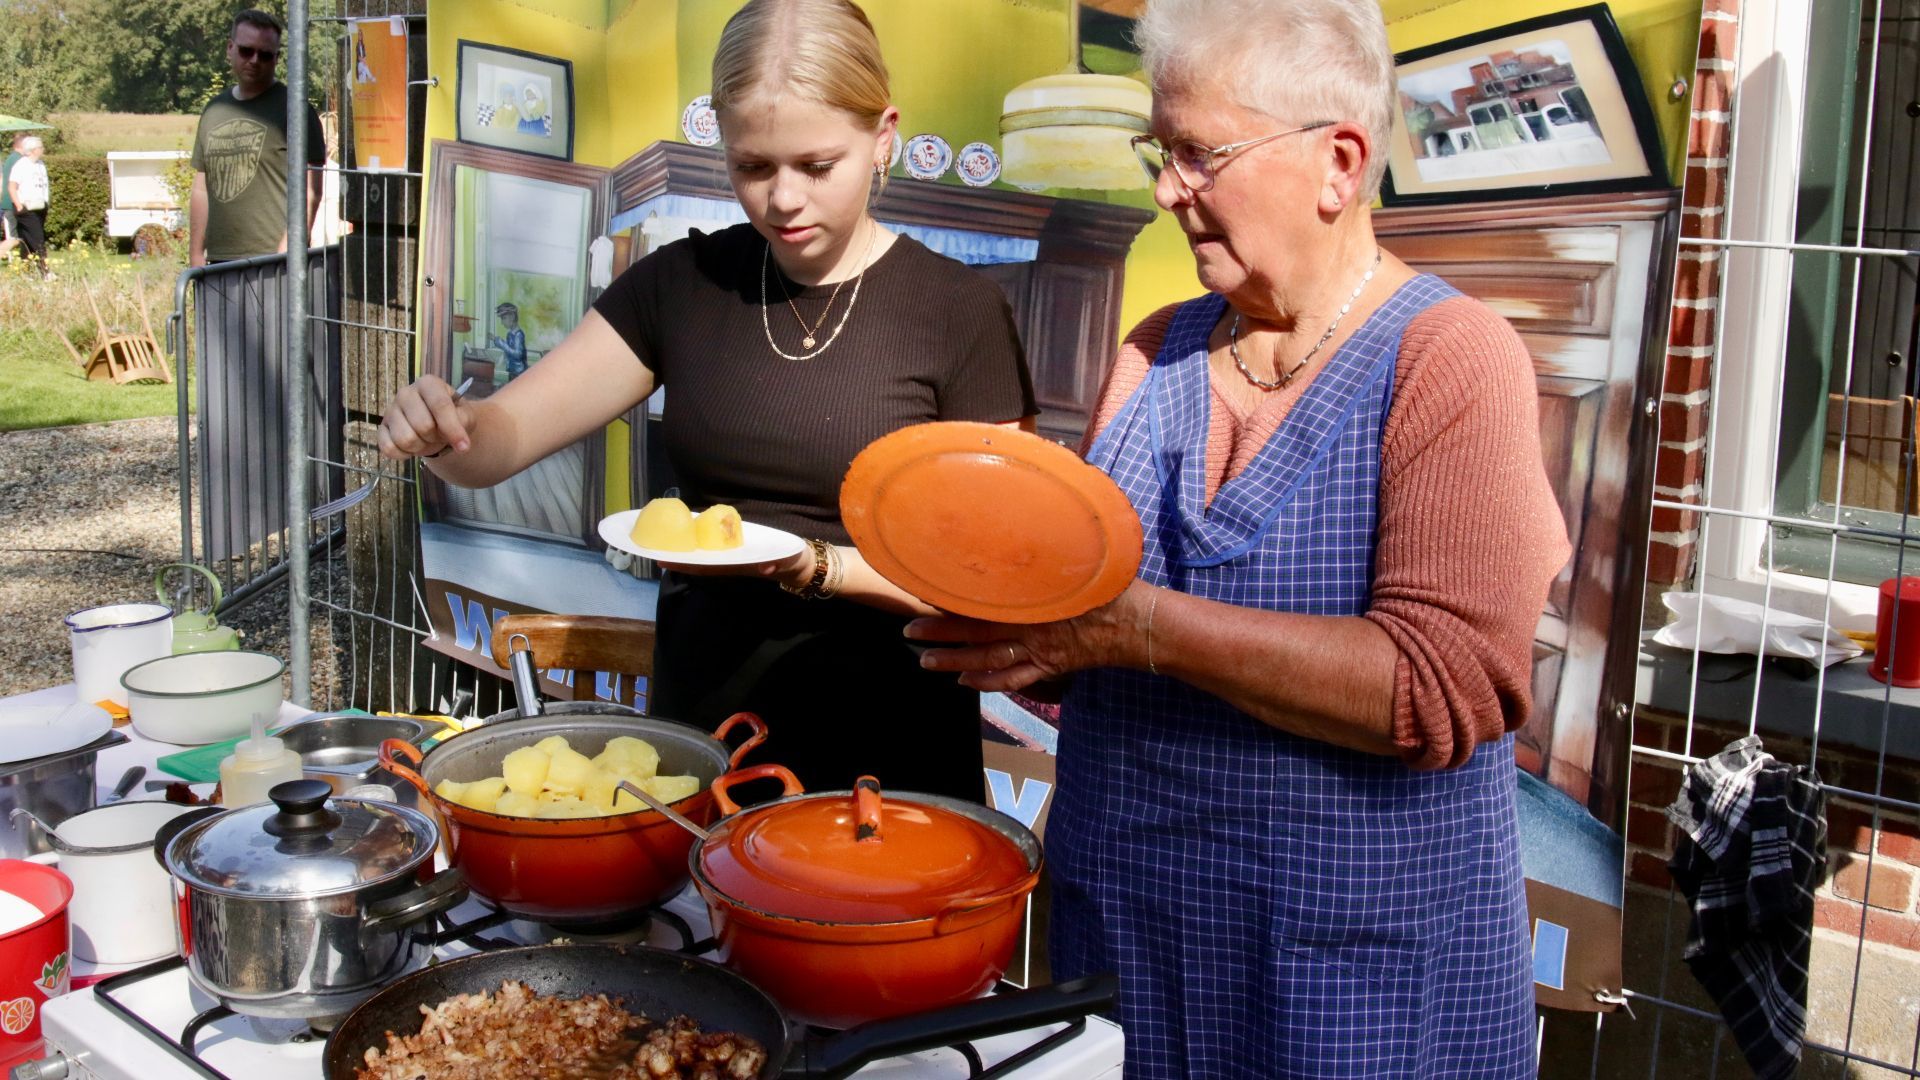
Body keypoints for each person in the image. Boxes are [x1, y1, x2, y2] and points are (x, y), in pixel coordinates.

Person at [910, 0, 1571, 1075]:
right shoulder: (1155, 352)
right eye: (1158, 152)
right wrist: (1015, 619)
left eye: (1199, 154)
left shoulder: (1453, 359)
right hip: (1131, 945)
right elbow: (1080, 640)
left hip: (1349, 980)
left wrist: (1133, 631)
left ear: (1338, 164)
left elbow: (1448, 686)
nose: (1167, 188)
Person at [377, 0, 1035, 804]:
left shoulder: (956, 311)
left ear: (884, 135)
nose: (783, 199)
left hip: (888, 749)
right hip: (710, 741)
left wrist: (816, 566)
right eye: (753, 167)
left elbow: (992, 577)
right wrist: (446, 427)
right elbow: (501, 440)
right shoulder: (683, 286)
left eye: (817, 165)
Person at [189, 9, 326, 267]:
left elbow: (311, 191)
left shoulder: (296, 111)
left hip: (273, 262)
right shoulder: (214, 111)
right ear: (230, 48)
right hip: (218, 264)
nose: (254, 60)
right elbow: (200, 189)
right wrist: (196, 254)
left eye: (265, 55)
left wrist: (289, 249)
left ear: (277, 58)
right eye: (246, 51)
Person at [8, 136, 51, 279]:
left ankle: (26, 271)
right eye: (40, 147)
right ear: (32, 150)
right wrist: (19, 205)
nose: (42, 149)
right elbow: (12, 187)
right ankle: (45, 271)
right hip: (26, 208)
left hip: (40, 206)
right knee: (38, 239)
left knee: (27, 240)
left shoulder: (40, 164)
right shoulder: (21, 165)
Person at [489, 302, 528, 380]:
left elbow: (517, 354)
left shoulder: (518, 335)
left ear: (512, 317)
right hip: (512, 370)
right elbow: (508, 350)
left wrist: (498, 341)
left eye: (504, 318)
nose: (502, 322)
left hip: (519, 373)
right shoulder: (509, 334)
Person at [0, 133, 22, 262]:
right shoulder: (16, 159)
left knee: (15, 237)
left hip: (9, 202)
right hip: (10, 204)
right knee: (12, 237)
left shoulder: (12, 159)